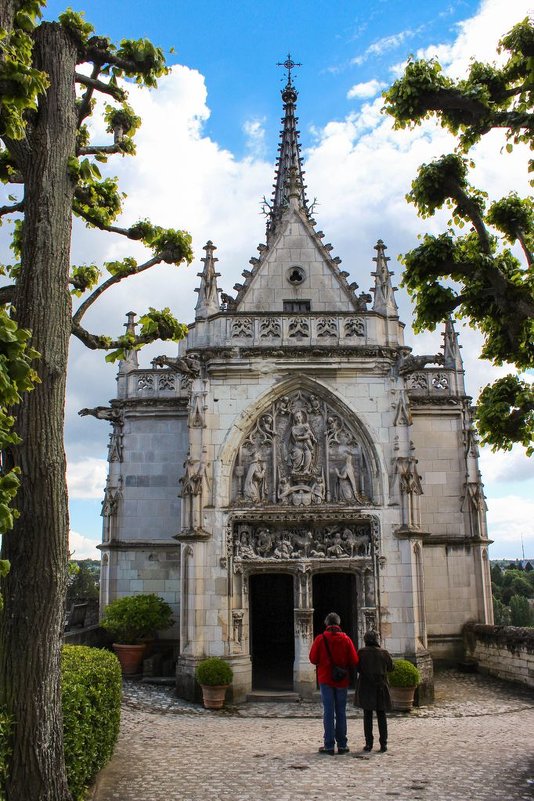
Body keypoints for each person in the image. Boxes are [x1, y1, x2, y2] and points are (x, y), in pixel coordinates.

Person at [309, 612, 359, 755]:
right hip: (341, 680)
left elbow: (313, 658)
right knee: (341, 712)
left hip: (325, 679)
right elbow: (354, 660)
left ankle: (329, 745)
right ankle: (342, 745)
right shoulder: (346, 639)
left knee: (328, 712)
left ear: (327, 624)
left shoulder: (320, 639)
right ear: (338, 624)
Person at [355, 629, 394, 753]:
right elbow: (391, 667)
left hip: (366, 685)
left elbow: (357, 668)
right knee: (381, 715)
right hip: (381, 686)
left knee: (368, 715)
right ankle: (383, 744)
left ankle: (369, 744)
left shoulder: (361, 652)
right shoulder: (384, 653)